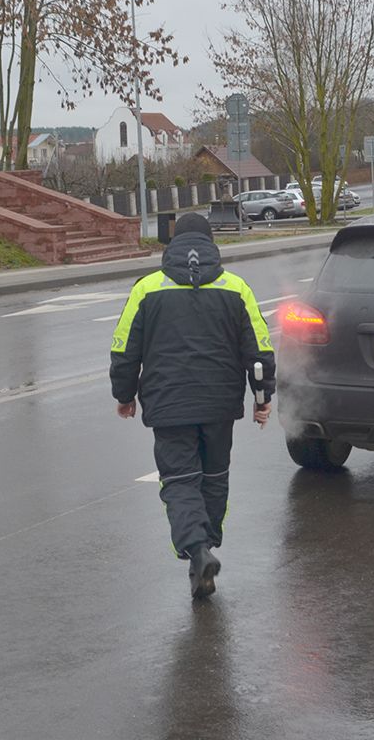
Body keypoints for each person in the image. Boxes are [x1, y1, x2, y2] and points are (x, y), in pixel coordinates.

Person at [110, 212, 275, 599]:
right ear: (210, 243)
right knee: (215, 477)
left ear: (172, 245)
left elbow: (123, 348)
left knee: (181, 481)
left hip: (168, 404)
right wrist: (262, 398)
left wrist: (124, 394)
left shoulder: (146, 288)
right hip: (220, 405)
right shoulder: (237, 288)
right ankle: (207, 547)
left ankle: (196, 549)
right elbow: (259, 350)